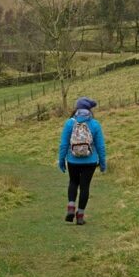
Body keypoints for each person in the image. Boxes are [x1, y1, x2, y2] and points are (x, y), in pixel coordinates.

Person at [58, 96, 106, 225]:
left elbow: (63, 145)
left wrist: (61, 161)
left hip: (72, 160)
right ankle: (80, 216)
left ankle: (70, 208)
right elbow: (100, 146)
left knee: (73, 182)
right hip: (90, 161)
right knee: (85, 187)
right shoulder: (95, 124)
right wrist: (102, 163)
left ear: (77, 108)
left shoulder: (69, 123)